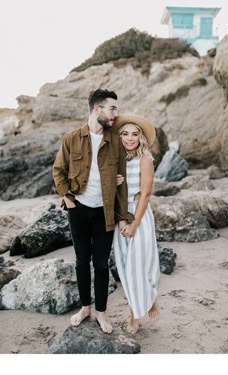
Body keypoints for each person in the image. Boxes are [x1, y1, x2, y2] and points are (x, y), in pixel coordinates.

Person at [53, 89, 133, 334]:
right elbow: (59, 170)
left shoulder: (115, 141)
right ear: (97, 109)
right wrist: (67, 198)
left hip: (104, 212)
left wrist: (122, 217)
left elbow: (123, 184)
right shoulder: (72, 138)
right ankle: (85, 307)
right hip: (78, 210)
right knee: (81, 262)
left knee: (100, 264)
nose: (115, 114)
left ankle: (101, 312)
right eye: (112, 108)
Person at [113, 114, 160, 335]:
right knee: (124, 265)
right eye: (125, 134)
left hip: (139, 217)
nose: (130, 138)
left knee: (137, 265)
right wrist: (122, 220)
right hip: (121, 215)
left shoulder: (145, 160)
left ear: (140, 137)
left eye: (134, 134)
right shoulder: (116, 160)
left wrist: (133, 224)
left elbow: (146, 194)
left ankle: (135, 315)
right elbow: (113, 194)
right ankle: (147, 299)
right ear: (119, 136)